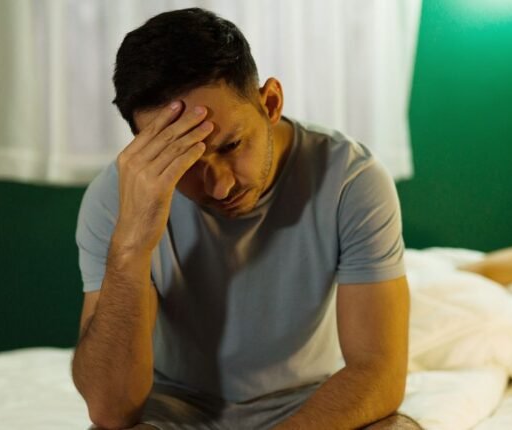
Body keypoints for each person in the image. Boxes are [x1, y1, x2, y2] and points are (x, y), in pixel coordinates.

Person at [72, 8, 420, 430]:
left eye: (231, 145)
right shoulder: (115, 200)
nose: (219, 186)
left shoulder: (350, 179)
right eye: (185, 161)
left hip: (309, 406)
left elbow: (377, 371)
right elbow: (111, 411)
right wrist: (131, 245)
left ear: (269, 102)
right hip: (175, 411)